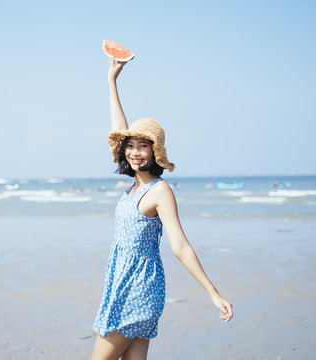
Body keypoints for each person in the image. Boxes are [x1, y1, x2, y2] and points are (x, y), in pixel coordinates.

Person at [91, 59, 233, 360]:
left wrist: (213, 292)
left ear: (155, 151)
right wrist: (112, 82)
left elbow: (179, 245)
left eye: (144, 146)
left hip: (138, 287)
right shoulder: (134, 188)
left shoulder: (160, 191)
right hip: (123, 281)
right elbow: (119, 129)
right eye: (131, 146)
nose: (135, 152)